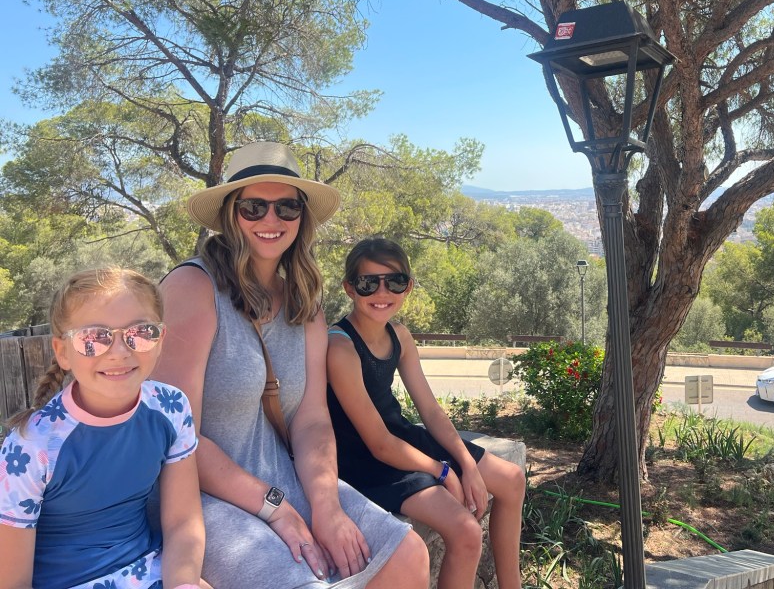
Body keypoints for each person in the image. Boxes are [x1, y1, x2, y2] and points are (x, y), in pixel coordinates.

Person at [156, 142, 428, 589]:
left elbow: (312, 419)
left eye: (287, 207)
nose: (272, 219)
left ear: (302, 217)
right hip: (200, 493)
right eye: (254, 207)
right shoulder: (193, 287)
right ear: (230, 214)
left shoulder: (304, 304)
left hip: (285, 478)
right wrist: (276, 507)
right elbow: (175, 433)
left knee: (406, 556)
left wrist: (327, 507)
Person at [326, 238, 526, 589]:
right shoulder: (340, 347)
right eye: (368, 283)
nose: (382, 292)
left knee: (512, 480)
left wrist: (465, 463)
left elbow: (431, 411)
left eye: (395, 281)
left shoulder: (399, 336)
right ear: (349, 288)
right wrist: (442, 470)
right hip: (365, 461)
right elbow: (378, 443)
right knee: (466, 532)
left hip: (401, 437)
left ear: (408, 287)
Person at [0, 267, 204, 589]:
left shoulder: (172, 408)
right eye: (94, 338)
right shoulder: (30, 448)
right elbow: (12, 581)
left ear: (160, 339)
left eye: (141, 332)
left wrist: (184, 584)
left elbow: (183, 522)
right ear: (63, 352)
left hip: (151, 574)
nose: (120, 352)